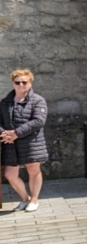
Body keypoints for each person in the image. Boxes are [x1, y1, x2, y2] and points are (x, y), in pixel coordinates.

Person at [1, 69, 49, 213]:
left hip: (31, 142)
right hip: (11, 144)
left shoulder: (38, 101)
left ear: (30, 83)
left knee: (33, 170)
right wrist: (4, 134)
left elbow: (38, 121)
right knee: (9, 174)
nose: (21, 85)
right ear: (13, 84)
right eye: (18, 82)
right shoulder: (5, 102)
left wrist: (17, 133)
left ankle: (34, 200)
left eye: (24, 82)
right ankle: (24, 198)